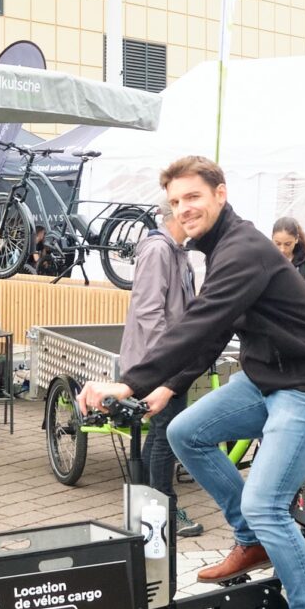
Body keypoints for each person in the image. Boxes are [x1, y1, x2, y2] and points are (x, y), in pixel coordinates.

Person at [83, 156, 305, 609]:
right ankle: (250, 538)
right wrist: (168, 389)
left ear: (220, 194)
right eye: (176, 202)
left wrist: (131, 381)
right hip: (268, 379)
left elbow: (201, 322)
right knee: (186, 431)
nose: (184, 210)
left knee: (268, 501)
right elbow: (218, 332)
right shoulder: (219, 249)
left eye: (193, 197)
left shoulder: (244, 249)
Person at [118, 200, 202, 537]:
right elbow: (149, 311)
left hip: (165, 361)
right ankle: (163, 510)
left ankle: (144, 509)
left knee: (158, 433)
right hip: (157, 365)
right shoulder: (158, 250)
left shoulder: (178, 251)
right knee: (166, 434)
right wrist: (166, 364)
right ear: (177, 217)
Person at [270, 217, 305, 300]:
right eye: (278, 244)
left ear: (296, 239)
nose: (282, 249)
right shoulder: (265, 262)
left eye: (287, 244)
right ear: (272, 238)